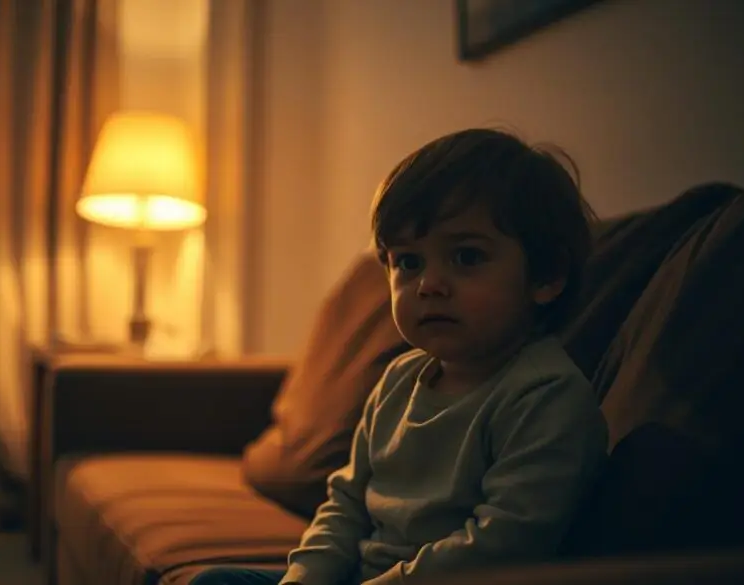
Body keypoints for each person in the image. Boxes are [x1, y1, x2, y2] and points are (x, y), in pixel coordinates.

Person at [191, 128, 608, 585]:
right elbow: (346, 502)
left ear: (546, 276)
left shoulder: (546, 396)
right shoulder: (399, 378)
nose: (429, 284)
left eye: (466, 257)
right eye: (408, 262)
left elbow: (502, 544)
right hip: (359, 575)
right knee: (216, 582)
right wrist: (305, 577)